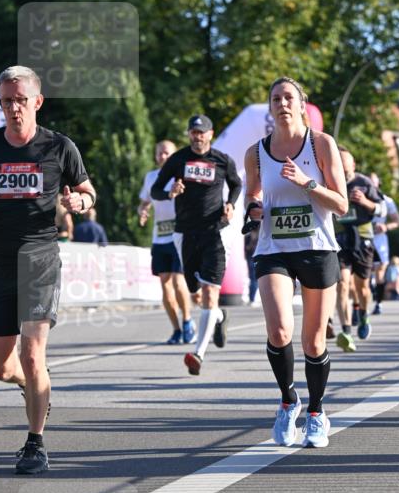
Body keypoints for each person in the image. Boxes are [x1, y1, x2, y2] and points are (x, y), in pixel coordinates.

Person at [0, 65, 96, 474]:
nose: (13, 108)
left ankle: (35, 443)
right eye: (6, 101)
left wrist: (80, 203)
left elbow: (88, 191)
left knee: (33, 353)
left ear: (37, 101)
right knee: (2, 368)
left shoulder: (59, 147)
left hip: (40, 260)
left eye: (20, 100)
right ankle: (31, 386)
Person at [243, 76, 347, 448]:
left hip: (317, 248)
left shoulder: (321, 144)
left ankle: (317, 413)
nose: (282, 104)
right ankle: (288, 401)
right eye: (276, 99)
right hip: (273, 249)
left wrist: (307, 183)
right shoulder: (256, 153)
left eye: (289, 98)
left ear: (302, 105)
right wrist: (253, 209)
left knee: (314, 342)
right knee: (279, 332)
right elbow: (252, 194)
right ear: (270, 107)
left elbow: (341, 204)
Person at [151, 115, 242, 375]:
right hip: (185, 234)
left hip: (215, 232)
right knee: (196, 293)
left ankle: (198, 354)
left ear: (210, 134)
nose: (197, 136)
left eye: (202, 132)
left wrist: (231, 204)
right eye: (193, 132)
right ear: (189, 134)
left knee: (210, 293)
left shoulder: (223, 160)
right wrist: (170, 192)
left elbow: (236, 184)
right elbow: (155, 190)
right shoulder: (177, 160)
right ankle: (219, 316)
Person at [138, 140, 195, 345]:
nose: (163, 156)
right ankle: (176, 329)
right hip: (159, 237)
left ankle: (187, 321)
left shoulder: (182, 176)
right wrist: (143, 211)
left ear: (174, 155)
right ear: (155, 156)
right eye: (159, 153)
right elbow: (144, 202)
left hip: (180, 236)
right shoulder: (151, 177)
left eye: (167, 153)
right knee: (165, 285)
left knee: (179, 282)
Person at [333, 147, 383, 349]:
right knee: (342, 284)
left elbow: (382, 209)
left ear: (353, 165)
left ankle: (363, 315)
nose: (343, 173)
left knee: (362, 286)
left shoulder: (364, 183)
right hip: (340, 238)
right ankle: (346, 331)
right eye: (340, 168)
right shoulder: (329, 181)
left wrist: (365, 202)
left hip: (363, 238)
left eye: (346, 169)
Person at [369, 173, 399, 315]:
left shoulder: (386, 200)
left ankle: (379, 303)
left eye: (373, 182)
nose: (371, 185)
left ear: (378, 183)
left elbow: (398, 221)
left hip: (379, 239)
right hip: (362, 237)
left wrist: (386, 227)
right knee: (364, 273)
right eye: (369, 182)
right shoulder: (359, 198)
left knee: (380, 271)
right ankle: (360, 305)